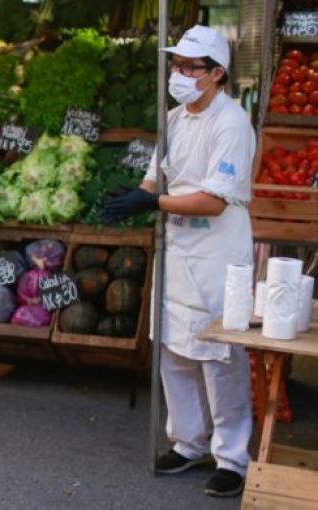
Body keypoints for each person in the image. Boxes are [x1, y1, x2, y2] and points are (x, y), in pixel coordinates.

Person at [102, 25, 255, 498]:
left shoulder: (231, 124)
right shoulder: (174, 119)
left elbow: (213, 200)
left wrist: (153, 205)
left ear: (216, 74)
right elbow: (155, 181)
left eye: (191, 67)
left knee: (219, 355)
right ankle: (188, 441)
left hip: (216, 254)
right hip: (179, 250)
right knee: (172, 350)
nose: (180, 73)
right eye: (177, 64)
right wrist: (131, 199)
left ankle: (232, 457)